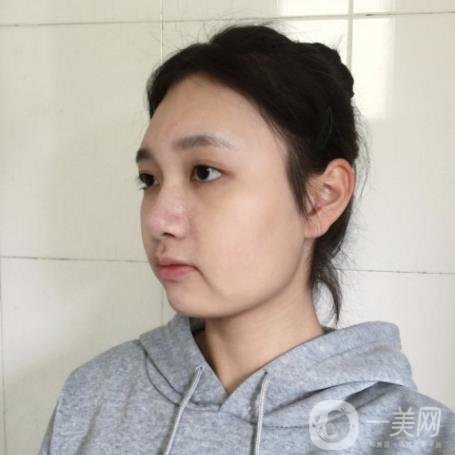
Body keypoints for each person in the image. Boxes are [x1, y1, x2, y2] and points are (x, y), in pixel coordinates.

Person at [38, 23, 454, 454]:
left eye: (205, 172)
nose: (159, 219)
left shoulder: (418, 438)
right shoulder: (93, 399)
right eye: (150, 179)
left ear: (321, 199)